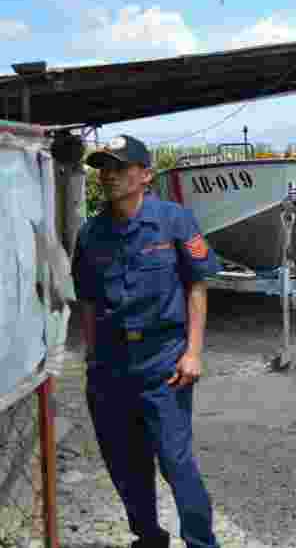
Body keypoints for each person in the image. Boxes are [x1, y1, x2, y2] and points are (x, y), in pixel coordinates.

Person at [72, 135, 222, 548]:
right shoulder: (91, 233)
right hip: (109, 367)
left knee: (176, 463)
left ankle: (202, 543)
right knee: (125, 464)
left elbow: (197, 286)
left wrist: (193, 352)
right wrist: (91, 354)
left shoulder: (174, 221)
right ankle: (149, 538)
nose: (109, 176)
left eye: (119, 168)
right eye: (104, 168)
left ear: (145, 175)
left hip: (164, 364)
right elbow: (87, 299)